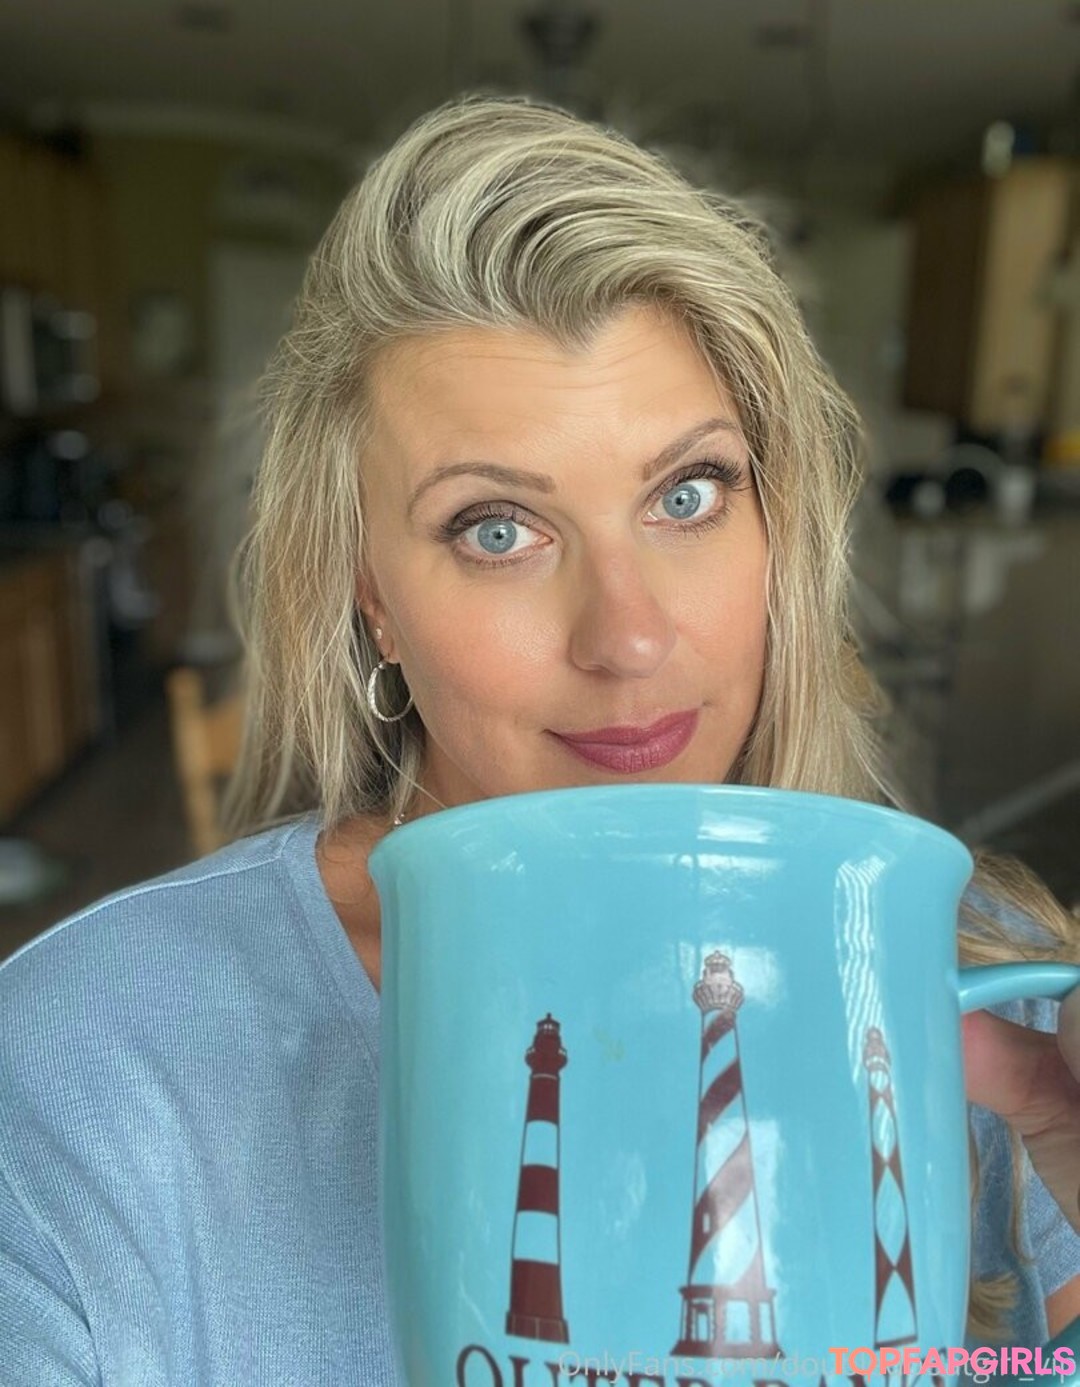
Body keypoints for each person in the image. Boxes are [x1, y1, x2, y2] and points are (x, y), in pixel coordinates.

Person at [1, 95, 1079, 1383]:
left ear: (778, 532)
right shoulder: (90, 1061)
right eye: (497, 529)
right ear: (371, 596)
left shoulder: (994, 1000)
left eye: (689, 494)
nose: (629, 637)